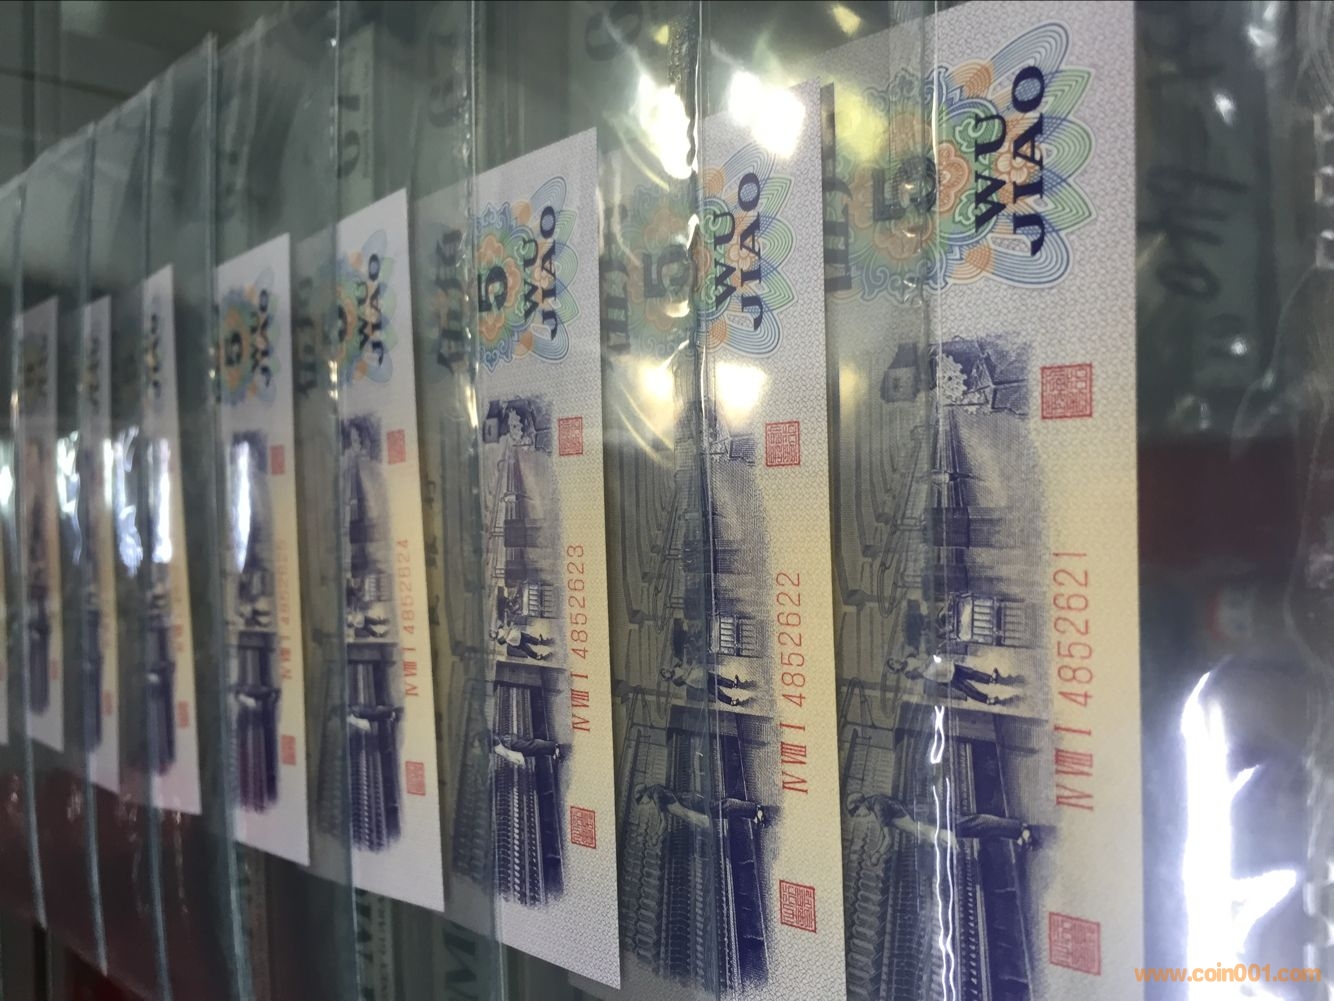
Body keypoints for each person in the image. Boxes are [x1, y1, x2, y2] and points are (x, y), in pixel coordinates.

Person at [846, 792, 1034, 858]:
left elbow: (888, 839)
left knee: (974, 823)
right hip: (928, 815)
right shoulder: (876, 801)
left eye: (857, 813)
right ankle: (1015, 833)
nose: (860, 817)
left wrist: (877, 854)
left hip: (930, 817)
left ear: (859, 805)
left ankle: (1020, 827)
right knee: (974, 828)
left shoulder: (877, 806)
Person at [887, 656, 1020, 706]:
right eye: (893, 665)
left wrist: (930, 659)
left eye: (894, 660)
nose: (896, 662)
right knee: (966, 687)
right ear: (895, 669)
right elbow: (921, 670)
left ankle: (990, 679)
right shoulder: (908, 674)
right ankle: (987, 700)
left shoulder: (909, 658)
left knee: (969, 672)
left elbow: (923, 657)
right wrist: (928, 660)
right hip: (939, 675)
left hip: (943, 666)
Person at [635, 783, 768, 830]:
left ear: (643, 794)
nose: (644, 804)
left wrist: (657, 835)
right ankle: (752, 814)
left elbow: (663, 820)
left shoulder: (655, 794)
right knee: (722, 812)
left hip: (691, 802)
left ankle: (755, 808)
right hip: (691, 802)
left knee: (723, 806)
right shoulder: (655, 791)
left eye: (642, 802)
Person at [660, 661, 753, 706]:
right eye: (665, 674)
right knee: (715, 691)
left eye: (665, 670)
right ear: (666, 677)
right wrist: (688, 671)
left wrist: (689, 669)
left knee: (717, 678)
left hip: (699, 673)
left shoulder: (676, 665)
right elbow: (684, 678)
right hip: (697, 681)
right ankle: (731, 702)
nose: (667, 672)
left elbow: (687, 666)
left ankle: (733, 684)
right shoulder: (675, 681)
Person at [487, 732, 566, 768]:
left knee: (531, 746)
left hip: (508, 742)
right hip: (507, 743)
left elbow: (495, 740)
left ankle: (553, 747)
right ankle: (551, 751)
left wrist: (507, 753)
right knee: (530, 750)